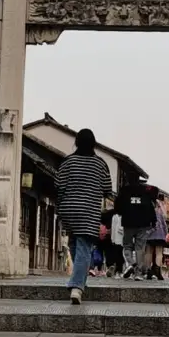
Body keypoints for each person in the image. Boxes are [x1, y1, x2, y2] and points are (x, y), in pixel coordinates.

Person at [55, 128, 112, 304]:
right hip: (89, 211)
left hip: (70, 209)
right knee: (84, 247)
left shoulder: (68, 162)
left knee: (75, 243)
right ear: (93, 144)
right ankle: (77, 287)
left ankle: (78, 278)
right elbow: (107, 190)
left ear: (77, 142)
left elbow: (58, 185)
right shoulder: (101, 164)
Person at [114, 175, 157, 280]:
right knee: (140, 248)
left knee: (127, 245)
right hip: (144, 222)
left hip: (129, 222)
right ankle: (138, 273)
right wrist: (153, 220)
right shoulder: (146, 190)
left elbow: (118, 206)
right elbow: (152, 203)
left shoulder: (124, 190)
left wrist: (121, 212)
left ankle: (131, 264)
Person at [144, 193, 168, 280]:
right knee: (159, 253)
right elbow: (165, 225)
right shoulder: (161, 212)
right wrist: (165, 234)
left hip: (149, 234)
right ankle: (158, 271)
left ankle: (148, 271)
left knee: (148, 252)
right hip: (160, 234)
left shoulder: (147, 212)